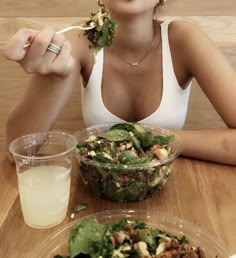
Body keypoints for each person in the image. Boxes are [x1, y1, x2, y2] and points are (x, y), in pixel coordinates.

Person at [4, 0, 236, 165]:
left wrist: (146, 136)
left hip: (170, 187)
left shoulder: (184, 38)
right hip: (100, 192)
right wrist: (54, 78)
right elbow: (18, 151)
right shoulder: (81, 41)